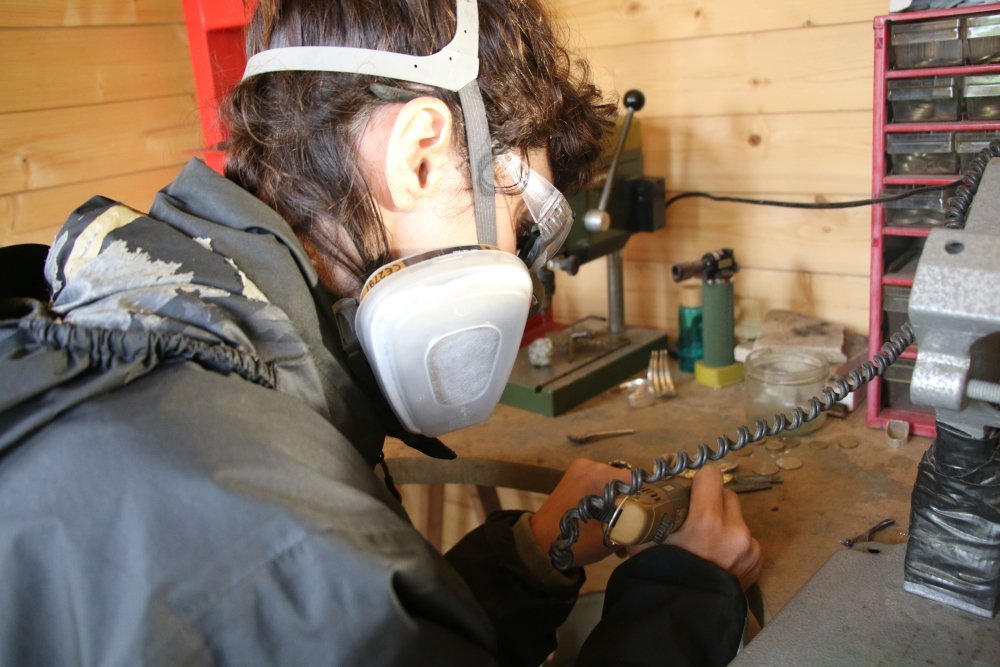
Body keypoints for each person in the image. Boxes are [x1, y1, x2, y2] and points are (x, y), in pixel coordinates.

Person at [0, 0, 761, 665]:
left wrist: (529, 556)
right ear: (421, 158)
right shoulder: (273, 526)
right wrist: (682, 603)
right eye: (521, 224)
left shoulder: (124, 334)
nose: (516, 269)